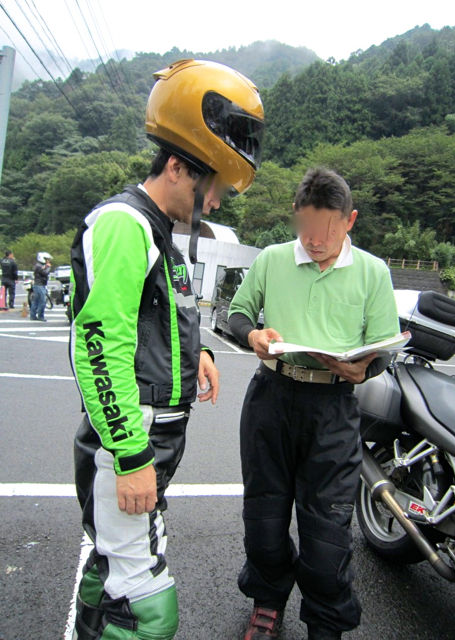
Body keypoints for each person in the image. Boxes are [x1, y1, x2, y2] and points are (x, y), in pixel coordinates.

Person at [70, 59, 264, 640]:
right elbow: (100, 347)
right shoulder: (124, 225)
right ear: (178, 167)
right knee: (147, 613)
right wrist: (131, 458)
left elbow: (156, 320)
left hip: (152, 441)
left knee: (110, 574)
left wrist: (196, 352)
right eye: (214, 187)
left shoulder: (160, 234)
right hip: (132, 443)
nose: (217, 203)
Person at [228, 167, 400, 640]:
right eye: (306, 227)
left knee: (327, 532)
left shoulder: (373, 272)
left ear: (350, 221)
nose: (316, 240)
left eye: (328, 230)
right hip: (271, 397)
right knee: (264, 516)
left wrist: (365, 369)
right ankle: (267, 600)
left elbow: (384, 348)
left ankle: (326, 622)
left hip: (333, 406)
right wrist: (253, 335)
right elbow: (237, 314)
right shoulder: (272, 259)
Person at [30, 251, 52, 321]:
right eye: (46, 259)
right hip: (39, 285)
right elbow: (45, 273)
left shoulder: (39, 265)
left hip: (38, 284)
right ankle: (40, 316)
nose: (48, 261)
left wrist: (46, 266)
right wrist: (48, 267)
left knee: (35, 301)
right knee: (42, 301)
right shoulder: (39, 266)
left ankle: (33, 316)